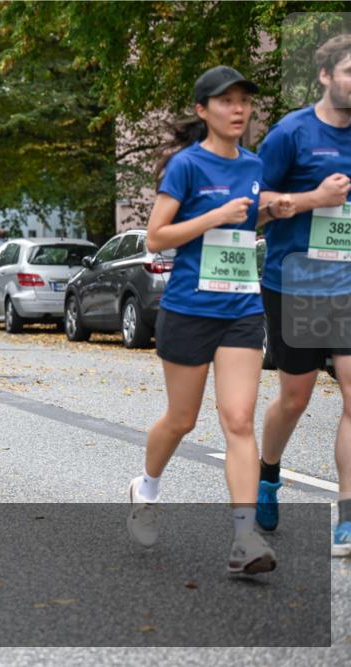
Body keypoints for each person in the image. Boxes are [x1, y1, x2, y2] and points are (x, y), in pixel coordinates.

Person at [125, 66, 295, 574]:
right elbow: (156, 237)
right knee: (182, 419)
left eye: (244, 100)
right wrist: (212, 218)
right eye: (226, 101)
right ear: (203, 111)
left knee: (239, 421)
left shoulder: (255, 165)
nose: (238, 109)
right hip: (189, 309)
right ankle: (146, 487)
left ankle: (245, 539)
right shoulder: (186, 166)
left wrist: (271, 211)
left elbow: (246, 219)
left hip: (241, 308)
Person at [254, 34, 351, 556]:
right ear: (324, 76)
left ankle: (347, 518)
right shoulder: (290, 134)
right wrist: (315, 198)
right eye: (350, 71)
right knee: (295, 398)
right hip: (295, 283)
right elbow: (254, 207)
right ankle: (268, 473)